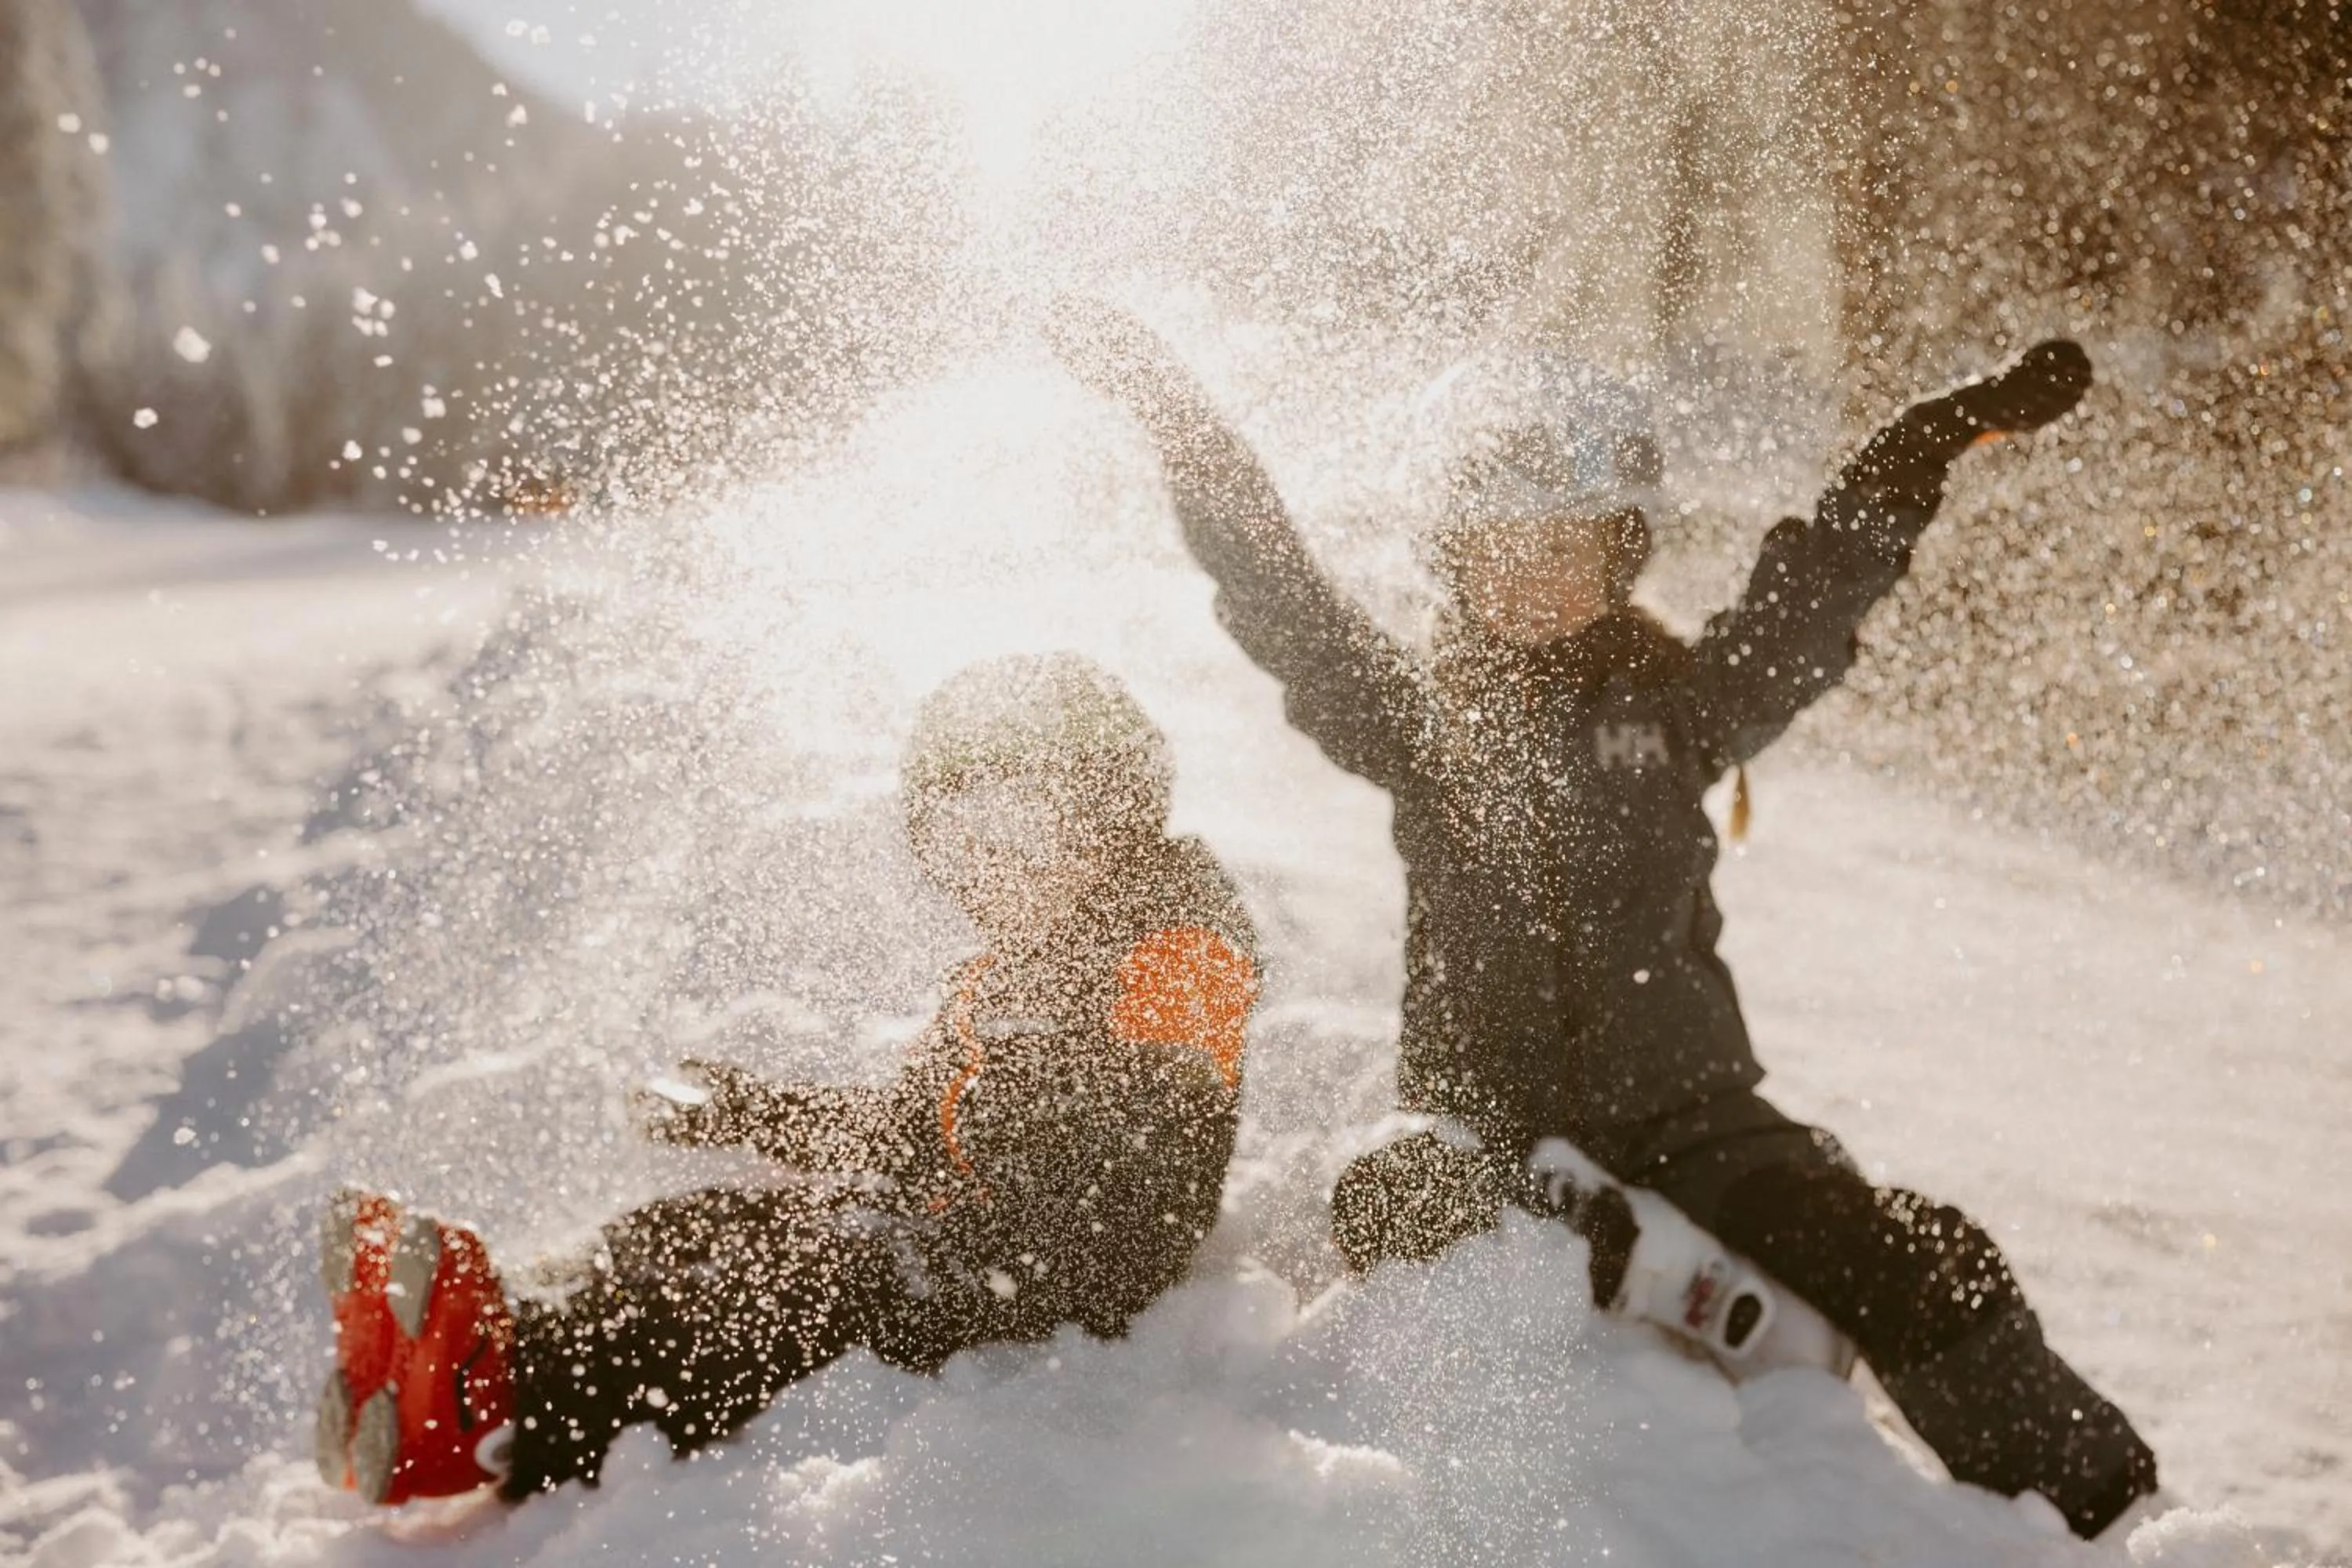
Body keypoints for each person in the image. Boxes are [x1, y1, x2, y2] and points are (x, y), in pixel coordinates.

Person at [1051, 304, 2158, 1539]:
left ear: (1624, 553)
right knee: (1394, 1201)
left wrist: (1930, 438)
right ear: (1453, 559)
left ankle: (2109, 1517)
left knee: (1920, 1255)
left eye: (1569, 547)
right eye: (1501, 547)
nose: (1535, 575)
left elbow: (1811, 592)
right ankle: (1609, 1244)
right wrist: (1173, 412)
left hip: (1692, 1117)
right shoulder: (1416, 720)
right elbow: (1280, 592)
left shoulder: (1682, 708)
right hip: (1486, 1116)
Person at [313, 652, 1260, 1504]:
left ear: (1116, 805)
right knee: (708, 1226)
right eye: (956, 834)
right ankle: (488, 1323)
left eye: (1022, 823)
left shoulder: (1177, 940)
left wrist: (972, 1201)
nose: (989, 863)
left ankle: (505, 1407)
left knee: (778, 1285)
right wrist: (752, 1109)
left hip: (1053, 1274)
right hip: (964, 1240)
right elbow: (903, 1128)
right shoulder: (1010, 965)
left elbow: (1145, 1158)